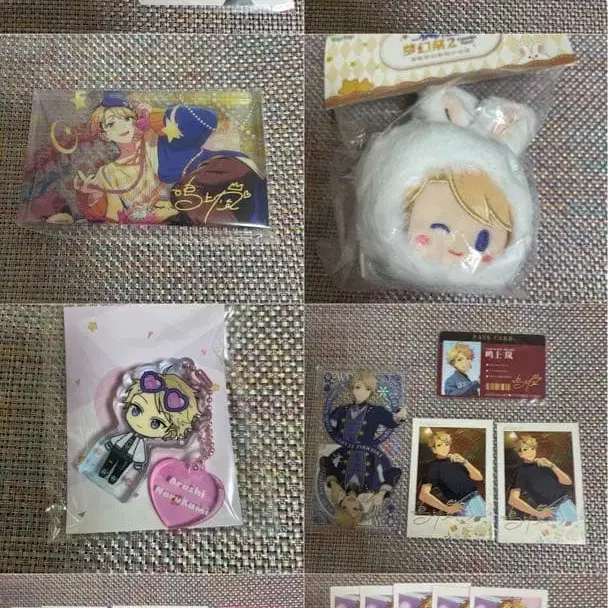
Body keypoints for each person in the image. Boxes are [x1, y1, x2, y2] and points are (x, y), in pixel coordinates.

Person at [97, 369, 199, 485]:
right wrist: (111, 442)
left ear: (171, 431)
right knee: (110, 460)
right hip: (117, 448)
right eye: (136, 410)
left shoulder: (143, 443)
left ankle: (114, 477)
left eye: (156, 423)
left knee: (121, 467)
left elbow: (141, 452)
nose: (140, 424)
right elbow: (120, 438)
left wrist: (139, 462)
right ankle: (104, 470)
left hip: (130, 456)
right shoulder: (127, 433)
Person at [322, 444, 402, 527]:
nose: (350, 503)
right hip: (373, 443)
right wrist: (383, 492)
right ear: (360, 506)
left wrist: (332, 482)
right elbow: (396, 471)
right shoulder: (372, 487)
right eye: (355, 508)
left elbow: (325, 460)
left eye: (344, 508)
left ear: (340, 503)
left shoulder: (338, 483)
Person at [328, 370, 406, 447]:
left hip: (365, 452)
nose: (362, 392)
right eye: (358, 387)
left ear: (371, 392)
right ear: (352, 389)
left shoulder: (376, 411)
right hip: (341, 450)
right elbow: (330, 428)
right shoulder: (341, 410)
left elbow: (391, 422)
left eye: (367, 389)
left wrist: (400, 417)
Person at [507, 434, 576, 521]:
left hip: (567, 503)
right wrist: (537, 513)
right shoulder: (521, 471)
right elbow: (513, 500)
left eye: (532, 448)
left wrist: (552, 466)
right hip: (552, 511)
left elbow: (567, 482)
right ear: (520, 454)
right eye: (525, 449)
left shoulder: (544, 463)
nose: (530, 452)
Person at [418, 429, 486, 516]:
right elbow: (423, 495)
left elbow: (479, 477)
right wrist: (447, 508)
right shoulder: (434, 467)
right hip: (464, 506)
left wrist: (465, 462)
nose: (444, 448)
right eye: (439, 445)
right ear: (434, 449)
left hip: (477, 499)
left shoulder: (455, 459)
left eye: (446, 444)